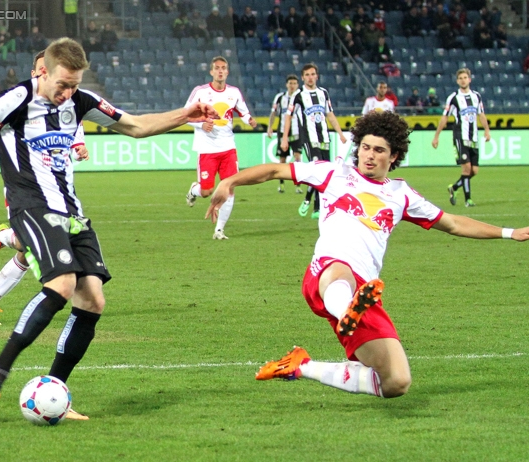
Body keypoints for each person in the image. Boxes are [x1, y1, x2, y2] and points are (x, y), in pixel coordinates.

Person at [0, 37, 217, 423]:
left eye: (75, 84)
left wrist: (186, 114)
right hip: (31, 206)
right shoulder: (16, 99)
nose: (68, 93)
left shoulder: (81, 101)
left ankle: (54, 392)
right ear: (42, 71)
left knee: (93, 300)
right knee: (62, 284)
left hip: (71, 212)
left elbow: (134, 126)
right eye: (62, 84)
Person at [206, 110, 529, 398]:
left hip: (366, 291)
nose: (369, 156)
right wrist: (231, 181)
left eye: (379, 150)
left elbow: (453, 223)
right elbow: (276, 171)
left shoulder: (401, 194)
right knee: (340, 272)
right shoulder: (334, 173)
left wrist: (508, 232)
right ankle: (346, 309)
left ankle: (300, 366)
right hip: (328, 271)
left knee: (396, 382)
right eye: (365, 147)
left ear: (394, 155)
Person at [0, 51, 87, 329]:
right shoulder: (17, 99)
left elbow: (75, 126)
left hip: (55, 191)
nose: (44, 74)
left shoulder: (64, 103)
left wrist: (79, 145)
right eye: (41, 69)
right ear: (35, 70)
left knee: (29, 250)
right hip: (22, 190)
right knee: (32, 247)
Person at [184, 56, 257, 240]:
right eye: (217, 68)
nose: (220, 71)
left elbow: (244, 112)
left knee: (229, 187)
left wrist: (249, 120)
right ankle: (194, 190)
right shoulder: (200, 92)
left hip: (228, 148)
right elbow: (185, 115)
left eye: (224, 68)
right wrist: (201, 125)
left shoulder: (234, 92)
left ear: (228, 71)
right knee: (206, 191)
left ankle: (219, 230)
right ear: (211, 71)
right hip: (207, 149)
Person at [283, 63, 347, 219]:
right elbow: (288, 116)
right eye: (307, 75)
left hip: (324, 138)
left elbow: (330, 114)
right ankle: (308, 202)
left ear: (317, 76)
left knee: (325, 174)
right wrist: (285, 137)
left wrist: (340, 133)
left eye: (313, 74)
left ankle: (317, 208)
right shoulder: (298, 95)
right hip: (309, 139)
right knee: (317, 170)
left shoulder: (323, 93)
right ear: (303, 77)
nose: (310, 77)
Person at [432, 68, 490, 208]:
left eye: (465, 77)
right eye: (460, 78)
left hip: (473, 136)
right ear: (457, 81)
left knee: (474, 171)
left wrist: (487, 130)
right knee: (466, 169)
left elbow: (481, 114)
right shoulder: (453, 98)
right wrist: (436, 136)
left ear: (469, 79)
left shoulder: (476, 96)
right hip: (460, 136)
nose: (463, 80)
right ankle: (468, 200)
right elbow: (445, 117)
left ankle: (454, 188)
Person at [267, 74, 303, 194]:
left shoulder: (302, 97)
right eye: (290, 83)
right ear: (286, 84)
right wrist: (270, 127)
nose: (292, 86)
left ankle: (298, 185)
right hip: (283, 132)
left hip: (297, 131)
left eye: (294, 83)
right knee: (282, 159)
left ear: (297, 85)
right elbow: (273, 113)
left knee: (298, 157)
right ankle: (281, 184)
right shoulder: (280, 97)